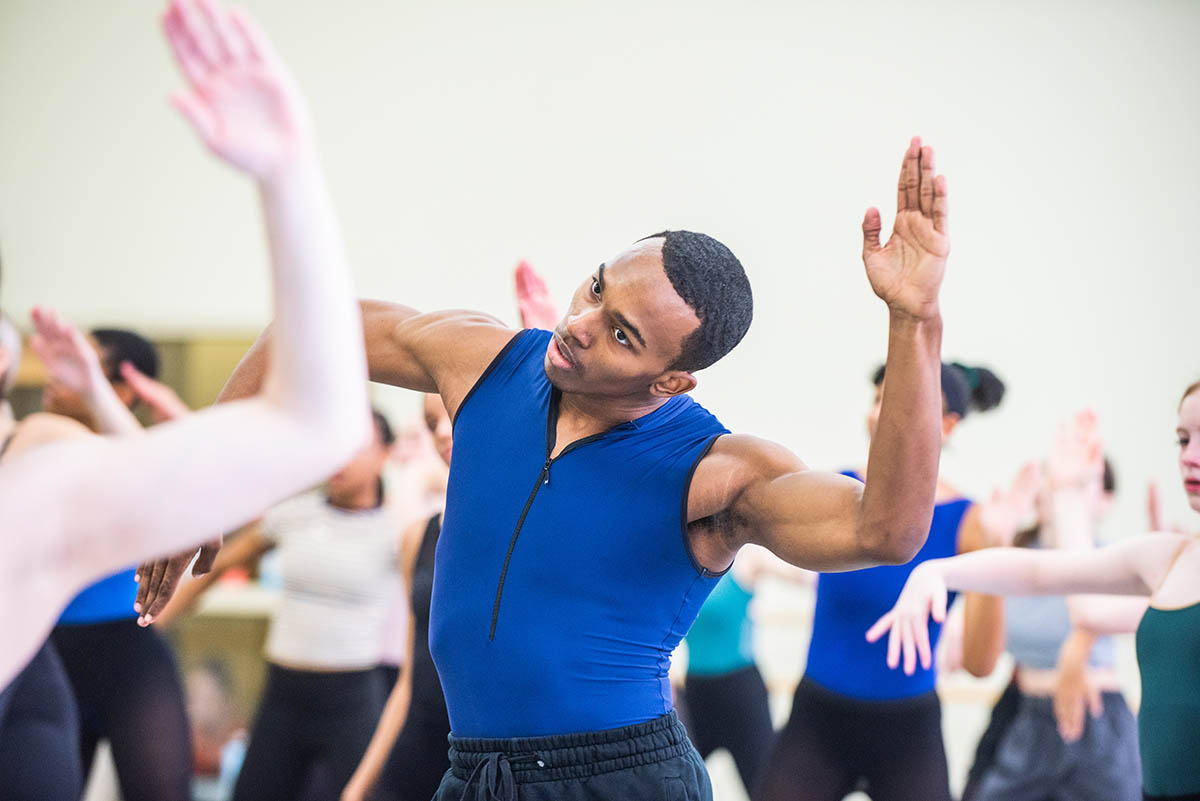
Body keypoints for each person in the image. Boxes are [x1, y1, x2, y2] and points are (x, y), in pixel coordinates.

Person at [140, 14, 954, 799]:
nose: (578, 325)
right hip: (475, 769)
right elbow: (309, 329)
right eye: (596, 287)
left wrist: (913, 321)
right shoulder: (485, 360)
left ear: (672, 381)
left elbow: (886, 530)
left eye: (623, 335)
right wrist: (212, 484)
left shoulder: (715, 474)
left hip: (619, 778)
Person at [0, 0, 370, 694]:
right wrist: (287, 176)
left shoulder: (26, 487)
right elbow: (314, 422)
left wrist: (287, 177)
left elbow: (312, 426)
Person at [869, 381, 1200, 801]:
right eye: (1182, 439)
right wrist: (936, 572)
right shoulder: (1171, 557)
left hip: (1096, 723)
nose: (1188, 458)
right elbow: (1049, 578)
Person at [753, 361, 1007, 801]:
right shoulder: (833, 490)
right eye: (878, 399)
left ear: (948, 426)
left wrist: (995, 550)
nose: (884, 414)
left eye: (906, 403)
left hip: (908, 730)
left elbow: (981, 666)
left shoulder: (971, 523)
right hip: (818, 720)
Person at [155, 409, 400, 801]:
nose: (341, 458)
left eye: (356, 447)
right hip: (285, 693)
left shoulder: (397, 529)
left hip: (352, 697)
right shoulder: (293, 515)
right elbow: (214, 568)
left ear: (385, 454)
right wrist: (155, 621)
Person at [18, 327, 193, 801]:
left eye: (81, 366)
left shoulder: (143, 458)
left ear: (119, 389)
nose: (56, 375)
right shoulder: (29, 444)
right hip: (44, 654)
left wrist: (183, 426)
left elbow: (215, 514)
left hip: (128, 659)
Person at [343, 394, 455, 801]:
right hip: (416, 756)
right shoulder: (418, 537)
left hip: (487, 760)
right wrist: (358, 788)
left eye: (454, 414)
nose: (442, 431)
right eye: (431, 423)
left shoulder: (525, 528)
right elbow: (412, 678)